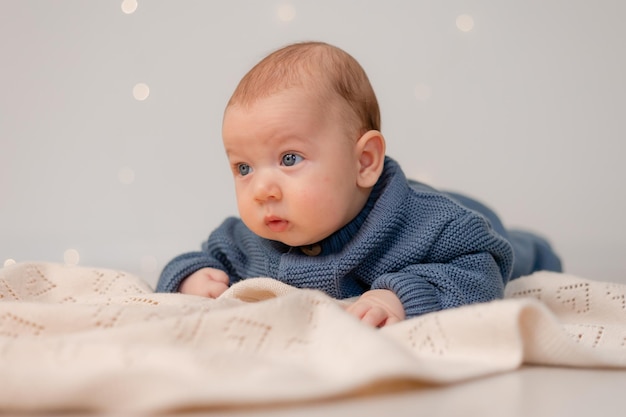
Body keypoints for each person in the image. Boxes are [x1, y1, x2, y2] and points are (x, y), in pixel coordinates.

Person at [157, 41, 562, 327]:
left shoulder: (430, 226)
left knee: (515, 250)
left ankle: (536, 244)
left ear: (364, 162)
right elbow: (196, 259)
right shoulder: (249, 240)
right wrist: (192, 276)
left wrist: (400, 294)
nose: (262, 190)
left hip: (463, 212)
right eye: (243, 168)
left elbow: (481, 266)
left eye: (289, 159)